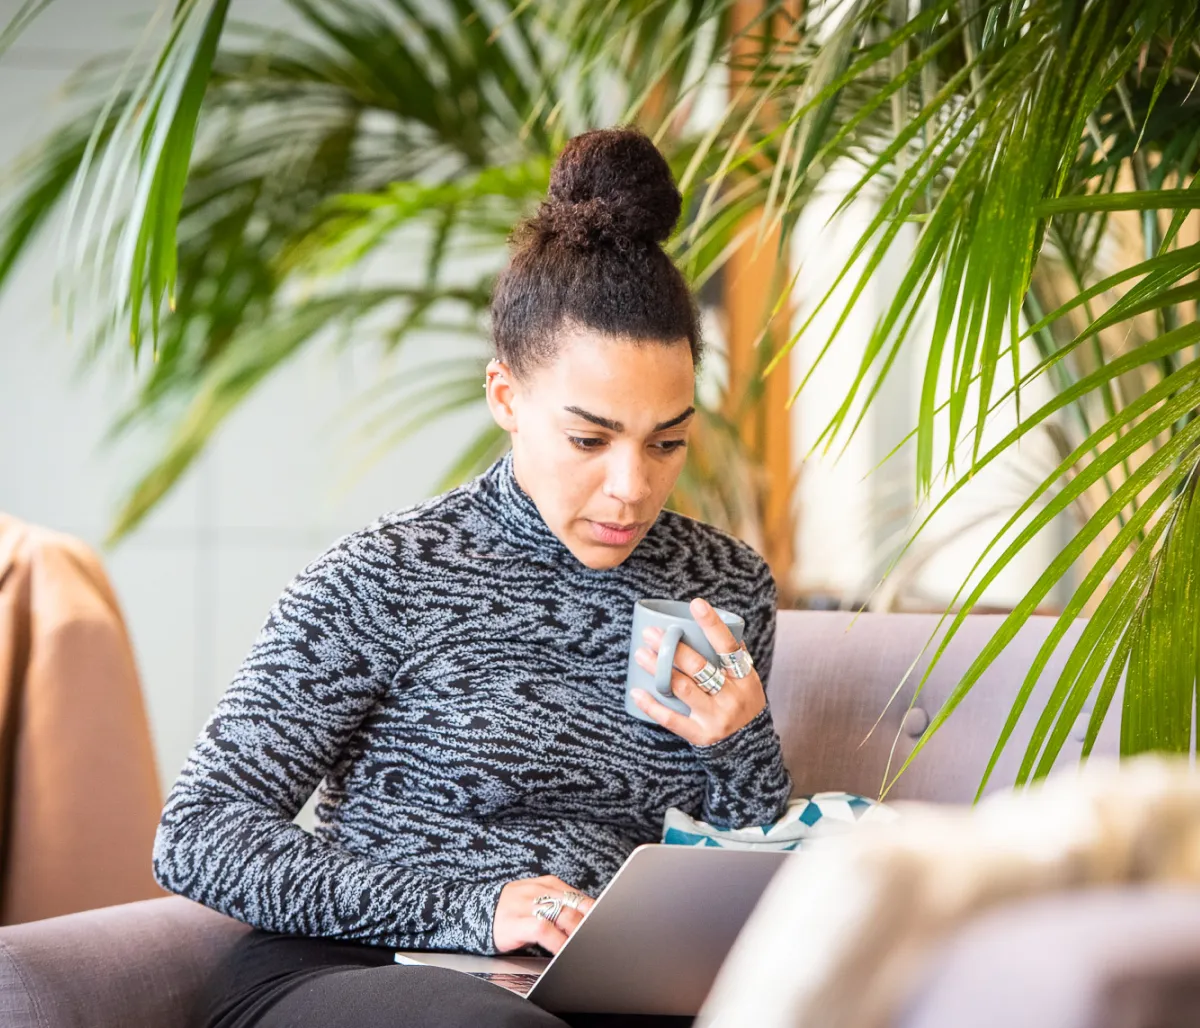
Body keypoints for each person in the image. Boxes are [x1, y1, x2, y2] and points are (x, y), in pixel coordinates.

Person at [153, 125, 792, 1028]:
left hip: (589, 992)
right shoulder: (384, 577)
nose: (631, 485)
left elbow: (745, 874)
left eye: (668, 441)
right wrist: (476, 909)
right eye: (589, 438)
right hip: (350, 972)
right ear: (505, 398)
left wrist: (742, 740)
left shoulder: (719, 586)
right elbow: (199, 835)